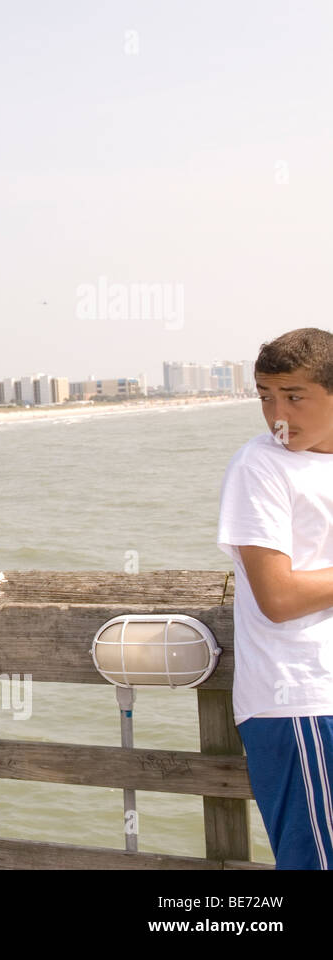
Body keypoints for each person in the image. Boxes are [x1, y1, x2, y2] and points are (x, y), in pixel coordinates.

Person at [218, 327, 333, 868]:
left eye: (294, 396)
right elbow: (279, 597)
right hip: (300, 698)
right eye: (265, 397)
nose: (277, 414)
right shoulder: (259, 465)